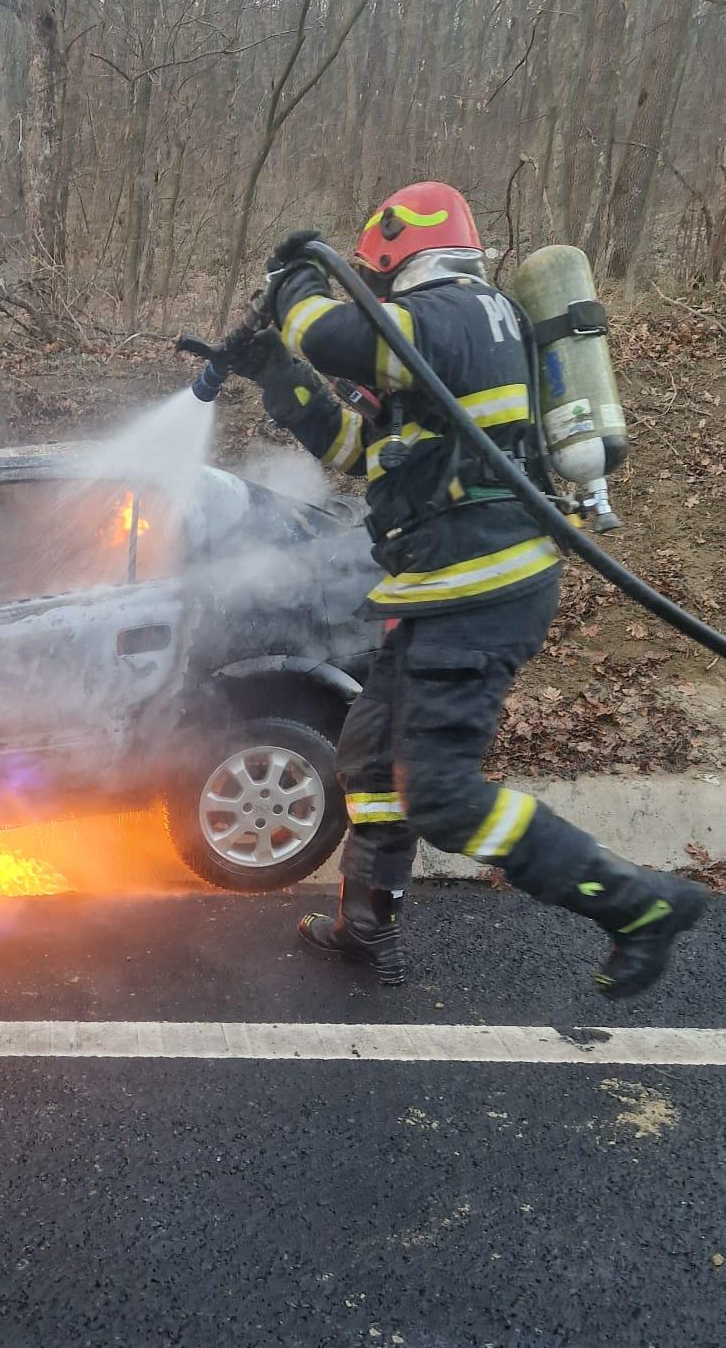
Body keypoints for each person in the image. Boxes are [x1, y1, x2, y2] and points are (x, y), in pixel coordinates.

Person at [205, 181, 706, 997]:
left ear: (402, 252)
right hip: (439, 592)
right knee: (368, 759)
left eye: (372, 273)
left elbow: (342, 337)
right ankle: (366, 927)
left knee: (439, 795)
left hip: (478, 592)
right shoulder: (444, 349)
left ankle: (640, 906)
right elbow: (353, 449)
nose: (368, 285)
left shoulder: (462, 309)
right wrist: (269, 367)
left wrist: (295, 281)